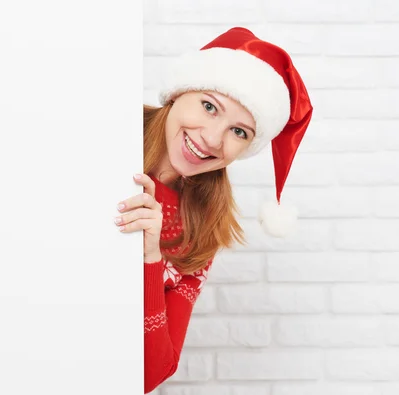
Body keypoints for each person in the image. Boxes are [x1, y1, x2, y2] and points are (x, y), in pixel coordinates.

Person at [113, 27, 313, 393]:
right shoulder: (105, 131)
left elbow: (150, 374)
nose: (212, 139)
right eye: (209, 107)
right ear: (178, 93)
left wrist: (151, 257)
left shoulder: (203, 228)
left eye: (239, 131)